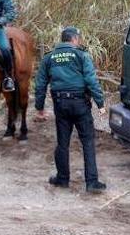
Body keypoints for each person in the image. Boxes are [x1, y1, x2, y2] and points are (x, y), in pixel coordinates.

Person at [34, 26, 107, 193]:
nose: (79, 41)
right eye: (78, 38)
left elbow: (40, 85)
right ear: (74, 39)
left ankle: (62, 179)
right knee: (88, 142)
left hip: (61, 105)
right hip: (81, 104)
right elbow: (91, 81)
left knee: (62, 143)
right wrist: (100, 104)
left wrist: (39, 107)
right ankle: (92, 182)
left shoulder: (49, 57)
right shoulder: (81, 55)